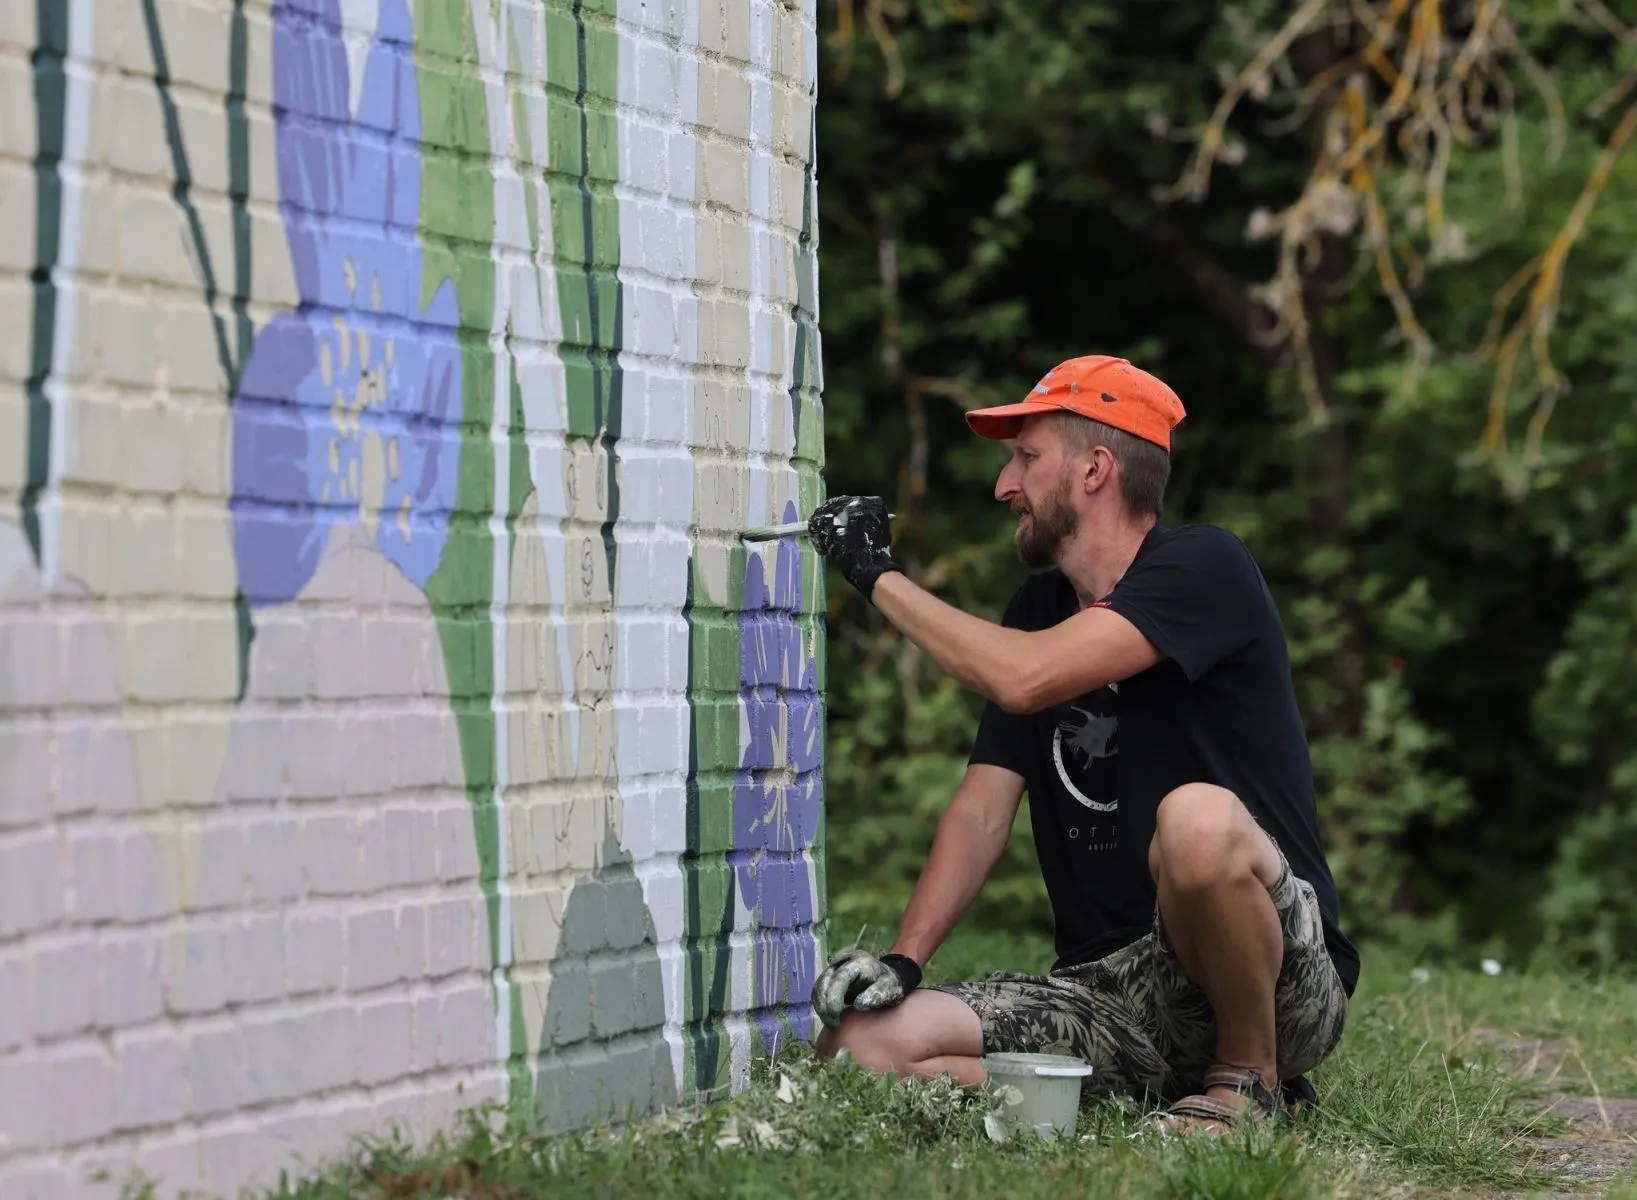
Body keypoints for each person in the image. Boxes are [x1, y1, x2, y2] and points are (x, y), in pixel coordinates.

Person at [803, 354, 1359, 1134]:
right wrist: (903, 961)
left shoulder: (1204, 567)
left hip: (1279, 981)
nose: (1004, 485)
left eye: (1025, 458)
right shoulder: (1036, 607)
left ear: (1095, 469)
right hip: (1107, 994)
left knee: (1196, 821)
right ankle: (1137, 1092)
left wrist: (875, 577)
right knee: (858, 1046)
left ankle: (1248, 1081)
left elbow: (1025, 680)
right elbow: (981, 813)